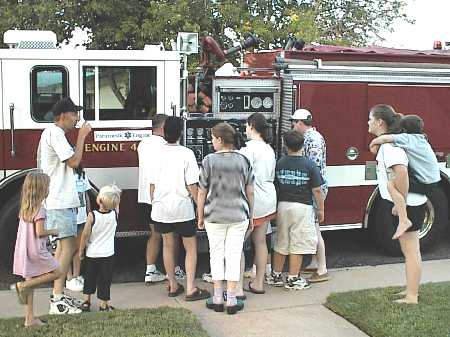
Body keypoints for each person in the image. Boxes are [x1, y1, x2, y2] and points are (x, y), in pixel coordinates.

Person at [37, 97, 91, 314]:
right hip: (58, 201)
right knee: (68, 247)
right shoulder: (54, 134)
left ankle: (58, 296)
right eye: (74, 114)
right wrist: (82, 137)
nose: (77, 118)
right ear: (63, 116)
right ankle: (57, 300)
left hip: (59, 200)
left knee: (62, 248)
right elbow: (74, 162)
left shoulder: (54, 134)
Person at [368, 104, 426, 304]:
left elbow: (401, 173)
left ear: (380, 122)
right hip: (407, 202)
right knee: (409, 250)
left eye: (370, 119)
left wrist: (399, 202)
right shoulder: (388, 146)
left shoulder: (389, 149)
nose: (368, 122)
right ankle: (410, 289)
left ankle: (412, 296)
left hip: (408, 204)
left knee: (411, 250)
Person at [149, 116, 210, 301]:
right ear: (181, 133)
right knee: (190, 247)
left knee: (167, 245)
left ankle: (173, 284)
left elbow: (151, 184)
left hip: (161, 208)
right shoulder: (186, 153)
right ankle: (191, 288)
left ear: (163, 132)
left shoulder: (155, 153)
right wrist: (201, 208)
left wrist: (155, 202)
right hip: (182, 208)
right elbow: (192, 185)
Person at [198, 122, 254, 314]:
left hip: (214, 215)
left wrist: (200, 215)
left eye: (213, 138)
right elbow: (250, 191)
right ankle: (231, 299)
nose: (211, 142)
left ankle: (216, 297)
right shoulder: (244, 160)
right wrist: (251, 216)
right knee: (233, 254)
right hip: (239, 214)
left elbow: (201, 191)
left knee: (216, 254)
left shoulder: (208, 161)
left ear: (220, 140)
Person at [369, 114, 441, 239]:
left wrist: (373, 142)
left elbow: (386, 139)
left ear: (405, 130)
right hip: (434, 180)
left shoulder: (408, 138)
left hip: (425, 182)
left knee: (391, 185)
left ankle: (403, 217)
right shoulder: (422, 138)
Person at [271, 131, 324, 290]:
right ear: (303, 145)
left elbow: (276, 185)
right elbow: (317, 190)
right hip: (302, 207)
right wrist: (320, 209)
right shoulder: (309, 165)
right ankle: (293, 278)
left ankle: (276, 275)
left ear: (285, 146)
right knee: (298, 243)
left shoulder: (279, 163)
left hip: (282, 206)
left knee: (281, 240)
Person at [138, 114, 185, 283]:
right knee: (172, 236)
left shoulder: (143, 144)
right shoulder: (166, 146)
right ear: (162, 127)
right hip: (163, 197)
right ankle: (175, 270)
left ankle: (150, 270)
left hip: (145, 198)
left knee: (155, 235)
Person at [13, 171, 62, 326]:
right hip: (36, 250)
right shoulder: (40, 209)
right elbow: (39, 232)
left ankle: (29, 319)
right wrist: (54, 231)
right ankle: (22, 286)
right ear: (41, 189)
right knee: (58, 272)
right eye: (47, 186)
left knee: (31, 281)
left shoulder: (25, 207)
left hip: (24, 250)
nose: (49, 189)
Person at [291, 108, 329, 283]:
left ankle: (322, 269)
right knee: (314, 229)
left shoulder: (312, 140)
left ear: (300, 123)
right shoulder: (313, 136)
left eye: (294, 122)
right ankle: (314, 263)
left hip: (314, 189)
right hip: (315, 188)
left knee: (315, 230)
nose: (292, 125)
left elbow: (312, 167)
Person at [239, 113, 276, 293]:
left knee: (237, 243)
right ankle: (258, 283)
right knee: (261, 242)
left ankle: (236, 286)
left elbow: (242, 177)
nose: (245, 130)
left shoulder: (247, 149)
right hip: (269, 199)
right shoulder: (269, 149)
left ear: (252, 126)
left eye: (246, 126)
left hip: (254, 200)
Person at [79, 184, 121, 312]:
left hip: (92, 254)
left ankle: (86, 302)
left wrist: (81, 250)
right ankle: (104, 305)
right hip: (108, 254)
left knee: (89, 278)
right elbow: (117, 203)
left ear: (99, 200)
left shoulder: (92, 216)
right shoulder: (115, 214)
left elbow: (85, 235)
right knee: (105, 280)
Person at [65, 165, 91, 292]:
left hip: (81, 217)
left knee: (79, 247)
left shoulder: (83, 175)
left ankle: (76, 275)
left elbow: (85, 196)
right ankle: (68, 276)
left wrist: (88, 213)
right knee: (67, 248)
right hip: (68, 217)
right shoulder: (63, 176)